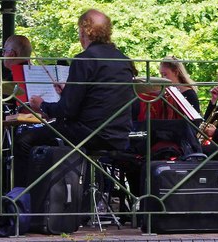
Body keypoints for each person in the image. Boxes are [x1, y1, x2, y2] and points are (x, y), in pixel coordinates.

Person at [23, 9, 135, 156]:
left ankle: (43, 179)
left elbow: (67, 111)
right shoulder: (124, 60)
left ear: (84, 31)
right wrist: (67, 92)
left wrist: (42, 105)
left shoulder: (84, 59)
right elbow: (101, 99)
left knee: (24, 139)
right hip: (118, 136)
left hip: (88, 135)